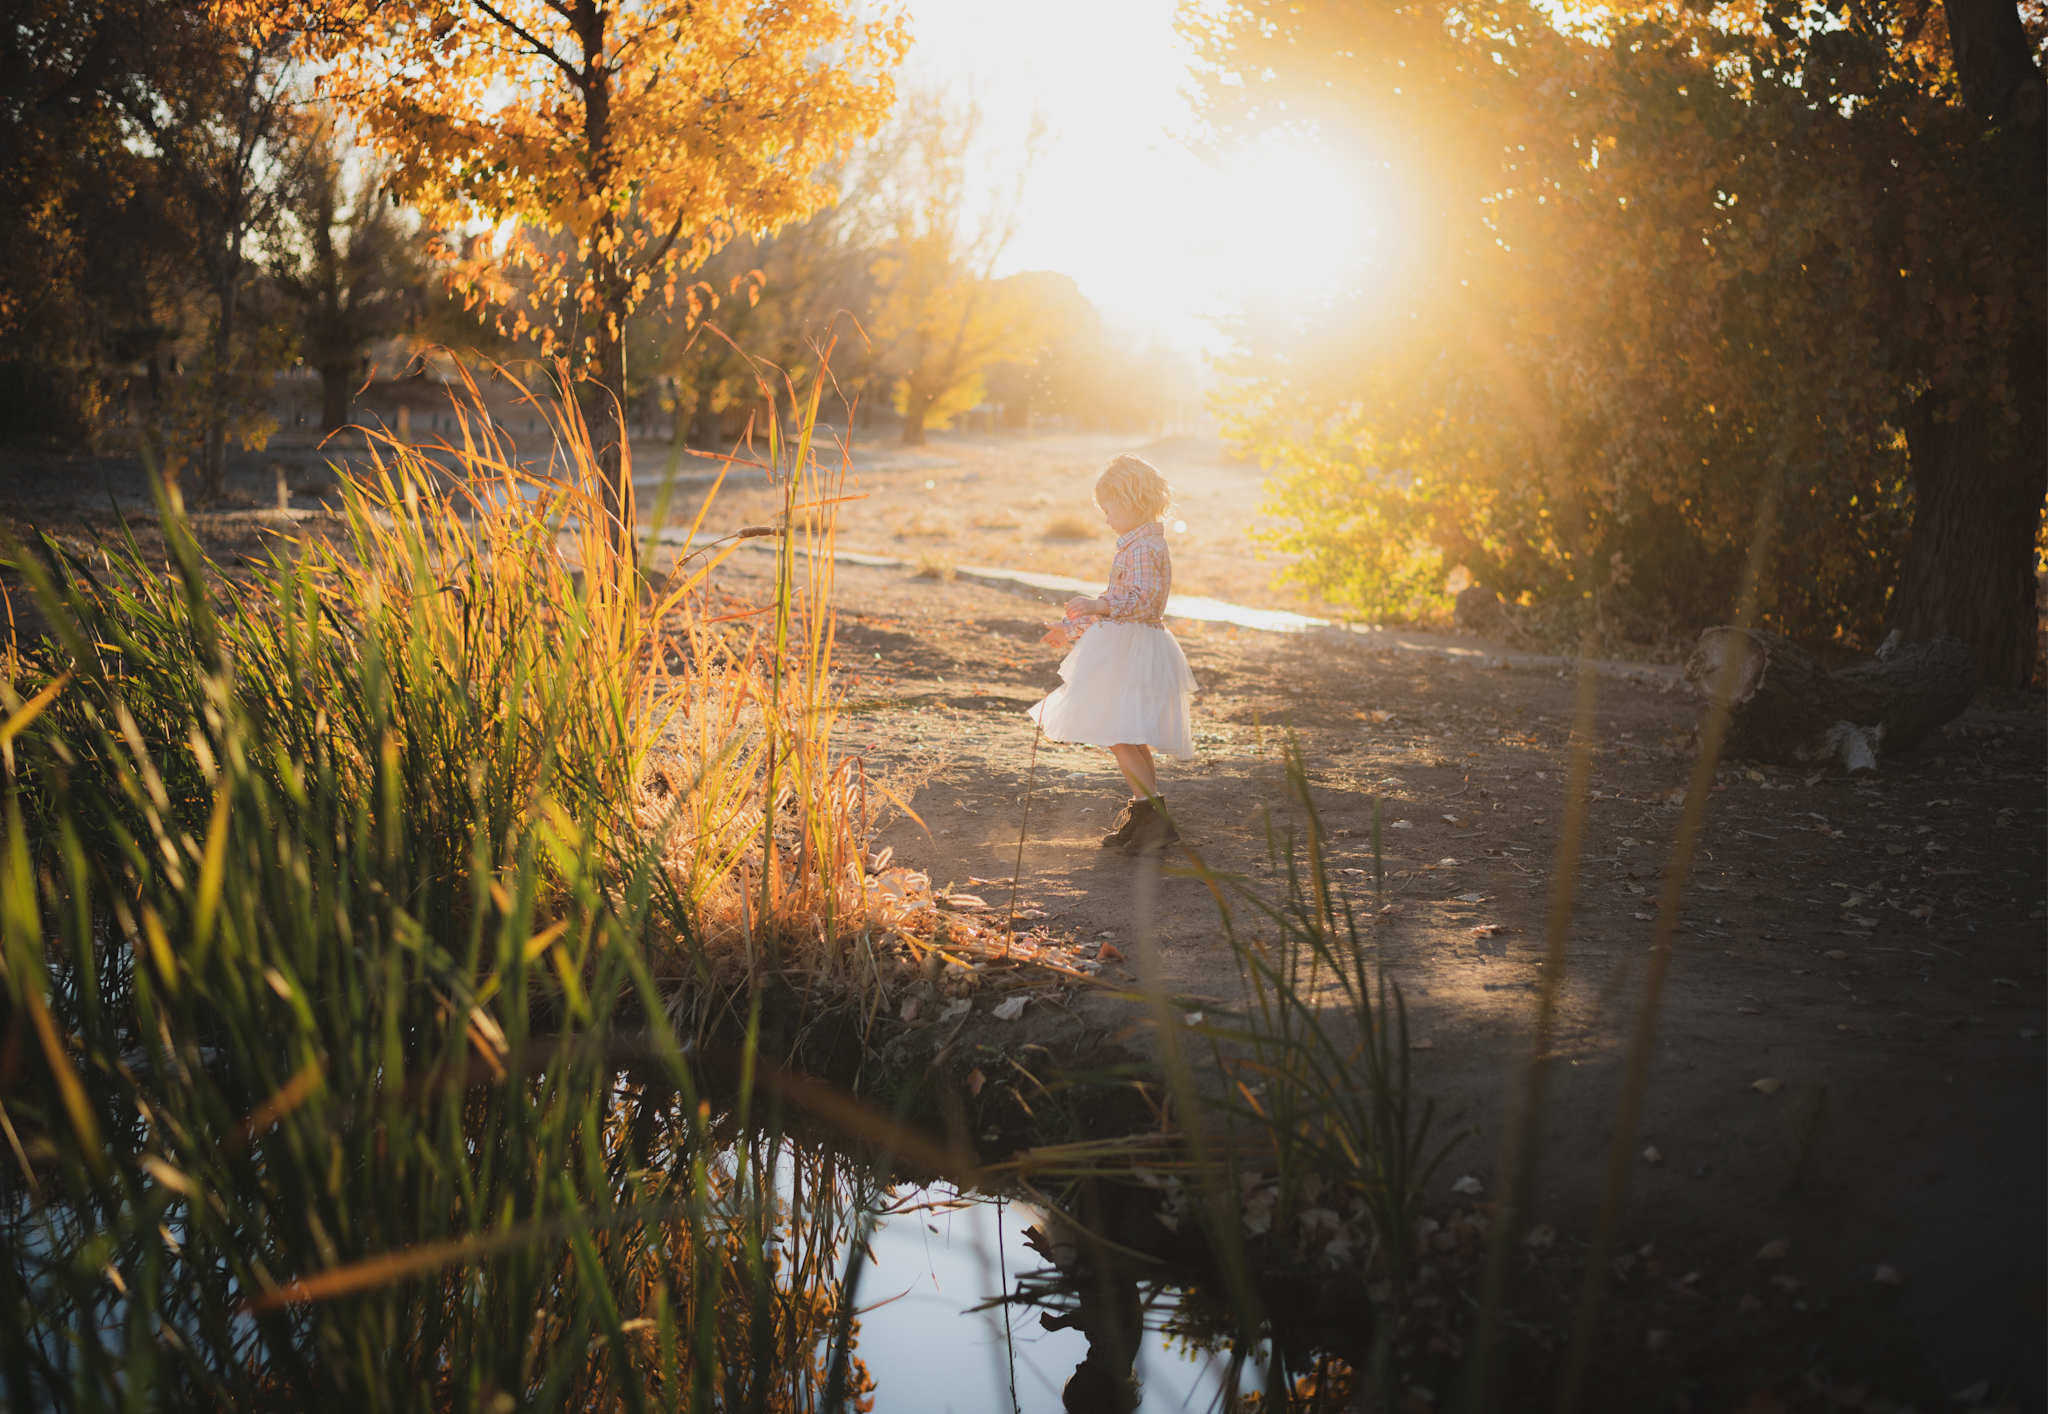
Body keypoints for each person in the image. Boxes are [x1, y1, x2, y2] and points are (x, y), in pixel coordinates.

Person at [1030, 454, 1197, 854]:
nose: (1106, 520)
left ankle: (1153, 818)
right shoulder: (1138, 543)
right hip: (1129, 644)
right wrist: (1070, 628)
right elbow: (1115, 604)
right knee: (1129, 733)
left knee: (1120, 734)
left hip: (1133, 649)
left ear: (1130, 501)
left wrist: (1097, 606)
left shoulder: (1144, 547)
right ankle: (1147, 813)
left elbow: (1142, 603)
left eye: (1108, 510)